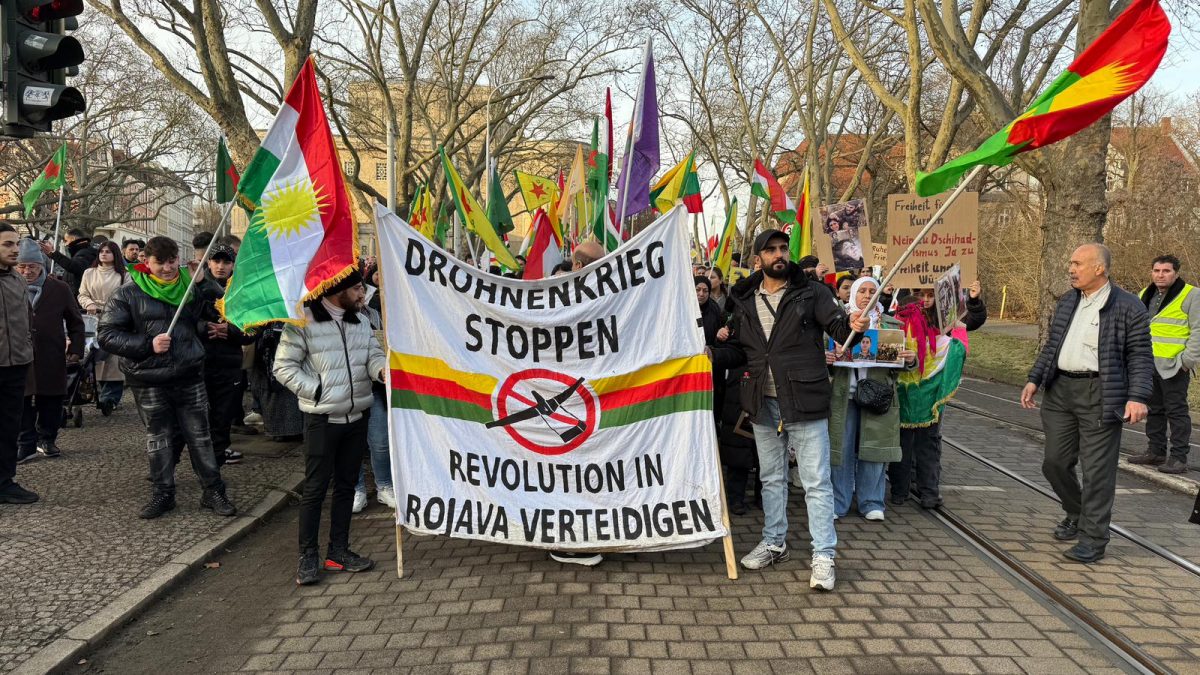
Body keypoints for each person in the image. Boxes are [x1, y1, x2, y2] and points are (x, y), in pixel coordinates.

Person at [720, 229, 868, 589]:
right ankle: (774, 542)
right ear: (758, 259)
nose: (779, 255)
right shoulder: (744, 298)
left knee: (816, 482)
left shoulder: (812, 292)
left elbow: (839, 329)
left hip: (804, 400)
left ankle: (824, 555)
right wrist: (710, 354)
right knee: (771, 478)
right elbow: (741, 351)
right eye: (771, 250)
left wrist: (855, 327)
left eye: (783, 248)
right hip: (761, 402)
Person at [1021, 243, 1152, 564]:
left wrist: (1138, 397)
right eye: (1071, 262)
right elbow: (1052, 346)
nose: (1071, 268)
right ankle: (1076, 512)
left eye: (1078, 263)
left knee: (1097, 471)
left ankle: (1093, 539)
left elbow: (1140, 355)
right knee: (1054, 463)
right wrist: (1034, 378)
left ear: (1099, 268)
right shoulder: (1068, 301)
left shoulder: (1128, 306)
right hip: (1060, 391)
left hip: (1100, 394)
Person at [98, 236, 238, 520]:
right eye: (159, 262)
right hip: (148, 378)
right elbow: (107, 335)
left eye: (172, 261)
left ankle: (213, 491)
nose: (167, 268)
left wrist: (204, 283)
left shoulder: (188, 287)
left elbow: (222, 309)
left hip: (189, 374)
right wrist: (147, 344)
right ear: (146, 262)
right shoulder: (128, 293)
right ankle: (163, 493)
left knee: (201, 436)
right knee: (159, 439)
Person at [274, 272, 386, 585]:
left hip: (357, 417)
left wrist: (381, 371)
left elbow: (373, 355)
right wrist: (317, 391)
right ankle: (308, 555)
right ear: (337, 290)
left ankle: (338, 550)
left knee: (346, 487)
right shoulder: (302, 322)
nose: (363, 293)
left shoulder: (361, 321)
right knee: (315, 489)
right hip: (322, 421)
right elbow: (283, 367)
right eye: (357, 288)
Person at [829, 277, 913, 522]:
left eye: (872, 291)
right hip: (843, 396)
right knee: (840, 449)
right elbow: (822, 356)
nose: (867, 295)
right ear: (853, 294)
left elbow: (901, 364)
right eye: (862, 291)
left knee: (875, 448)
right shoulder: (836, 322)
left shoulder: (890, 324)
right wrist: (827, 357)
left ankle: (872, 502)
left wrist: (909, 359)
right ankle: (838, 501)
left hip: (879, 396)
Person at [16, 239, 85, 462]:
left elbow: (75, 321)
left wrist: (76, 348)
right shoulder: (8, 287)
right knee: (21, 399)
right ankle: (25, 442)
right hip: (18, 352)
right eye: (22, 266)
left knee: (52, 399)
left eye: (32, 266)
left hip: (51, 351)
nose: (27, 271)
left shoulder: (59, 288)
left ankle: (47, 438)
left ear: (42, 265)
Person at [1128, 255, 1198, 474]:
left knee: (1176, 411)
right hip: (1148, 364)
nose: (1160, 275)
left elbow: (1198, 331)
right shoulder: (1144, 294)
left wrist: (1186, 361)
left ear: (1176, 273)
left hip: (1174, 365)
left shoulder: (1192, 295)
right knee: (1154, 410)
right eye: (1156, 271)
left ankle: (1179, 457)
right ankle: (1156, 451)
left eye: (1166, 271)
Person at [197, 244, 253, 466]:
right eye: (216, 261)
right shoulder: (195, 288)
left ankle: (218, 456)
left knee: (223, 412)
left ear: (233, 265)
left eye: (226, 262)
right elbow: (185, 320)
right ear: (208, 262)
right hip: (200, 360)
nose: (221, 266)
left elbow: (252, 329)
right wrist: (205, 328)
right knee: (199, 411)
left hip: (229, 362)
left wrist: (230, 331)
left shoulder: (242, 290)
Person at [0, 226, 39, 504]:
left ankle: (4, 482)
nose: (15, 250)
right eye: (7, 245)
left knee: (8, 426)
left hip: (16, 365)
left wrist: (26, 349)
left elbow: (27, 318)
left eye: (16, 243)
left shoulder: (17, 279)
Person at [79, 241, 128, 414]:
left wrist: (114, 309)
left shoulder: (123, 274)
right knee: (93, 353)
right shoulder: (89, 273)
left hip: (116, 319)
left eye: (108, 251)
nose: (104, 254)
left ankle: (111, 397)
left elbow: (128, 295)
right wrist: (89, 303)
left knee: (114, 358)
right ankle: (95, 390)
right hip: (93, 318)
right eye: (101, 251)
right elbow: (82, 293)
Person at [39, 227, 98, 295]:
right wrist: (58, 279)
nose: (65, 244)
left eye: (66, 240)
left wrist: (53, 253)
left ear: (73, 239)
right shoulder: (81, 252)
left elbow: (74, 267)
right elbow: (73, 276)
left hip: (79, 296)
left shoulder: (85, 253)